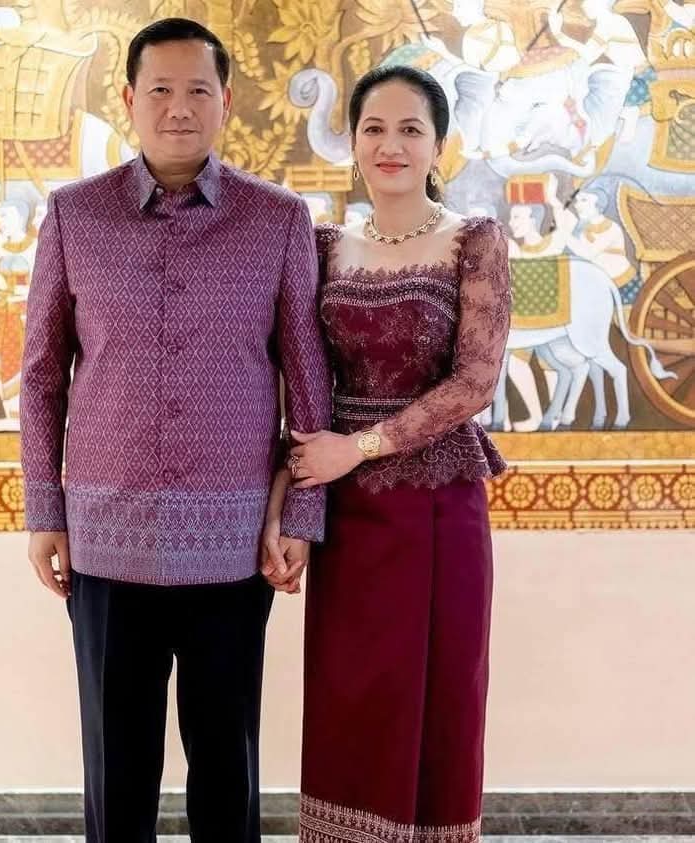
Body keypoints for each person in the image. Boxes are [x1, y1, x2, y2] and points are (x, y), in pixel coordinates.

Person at [20, 17, 331, 843]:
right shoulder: (74, 215)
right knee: (116, 764)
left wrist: (301, 516)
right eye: (159, 88)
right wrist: (44, 510)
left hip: (233, 541)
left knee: (225, 763)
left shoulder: (277, 219)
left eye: (198, 89)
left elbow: (308, 380)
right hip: (105, 536)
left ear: (226, 101)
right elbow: (43, 374)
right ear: (128, 100)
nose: (179, 106)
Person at [262, 66, 511, 843]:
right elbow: (301, 386)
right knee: (351, 697)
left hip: (438, 508)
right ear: (352, 141)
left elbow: (474, 382)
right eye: (373, 128)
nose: (390, 145)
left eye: (410, 129)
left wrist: (360, 446)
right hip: (345, 514)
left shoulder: (472, 240)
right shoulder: (322, 245)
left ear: (439, 144)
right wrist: (285, 504)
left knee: (437, 698)